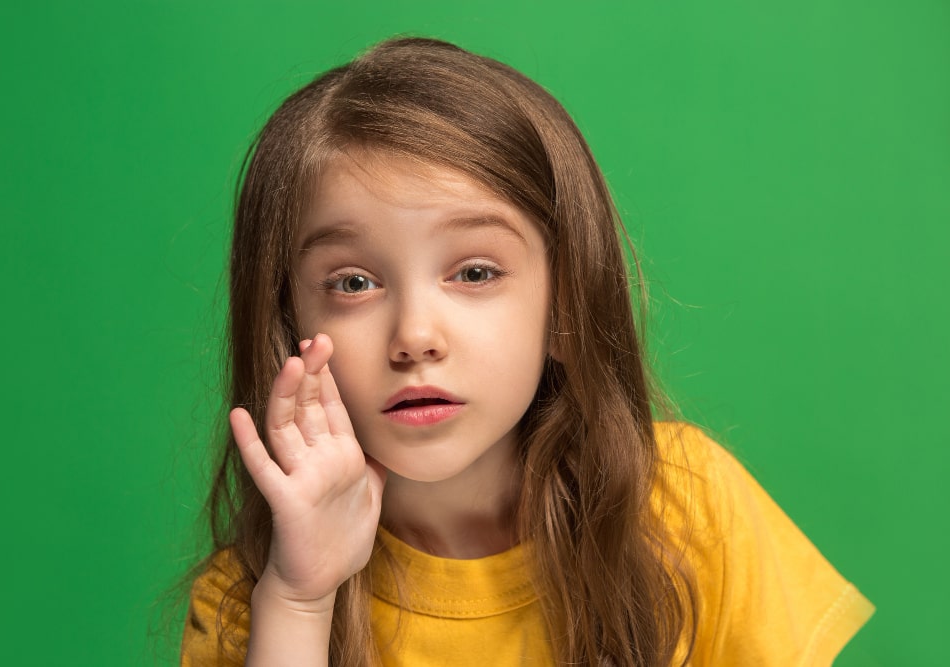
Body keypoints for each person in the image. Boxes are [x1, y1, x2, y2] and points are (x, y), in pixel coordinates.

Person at [180, 37, 874, 666]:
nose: (416, 335)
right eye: (354, 283)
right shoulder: (255, 600)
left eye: (475, 272)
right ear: (286, 322)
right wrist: (301, 601)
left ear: (566, 300)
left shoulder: (688, 511)